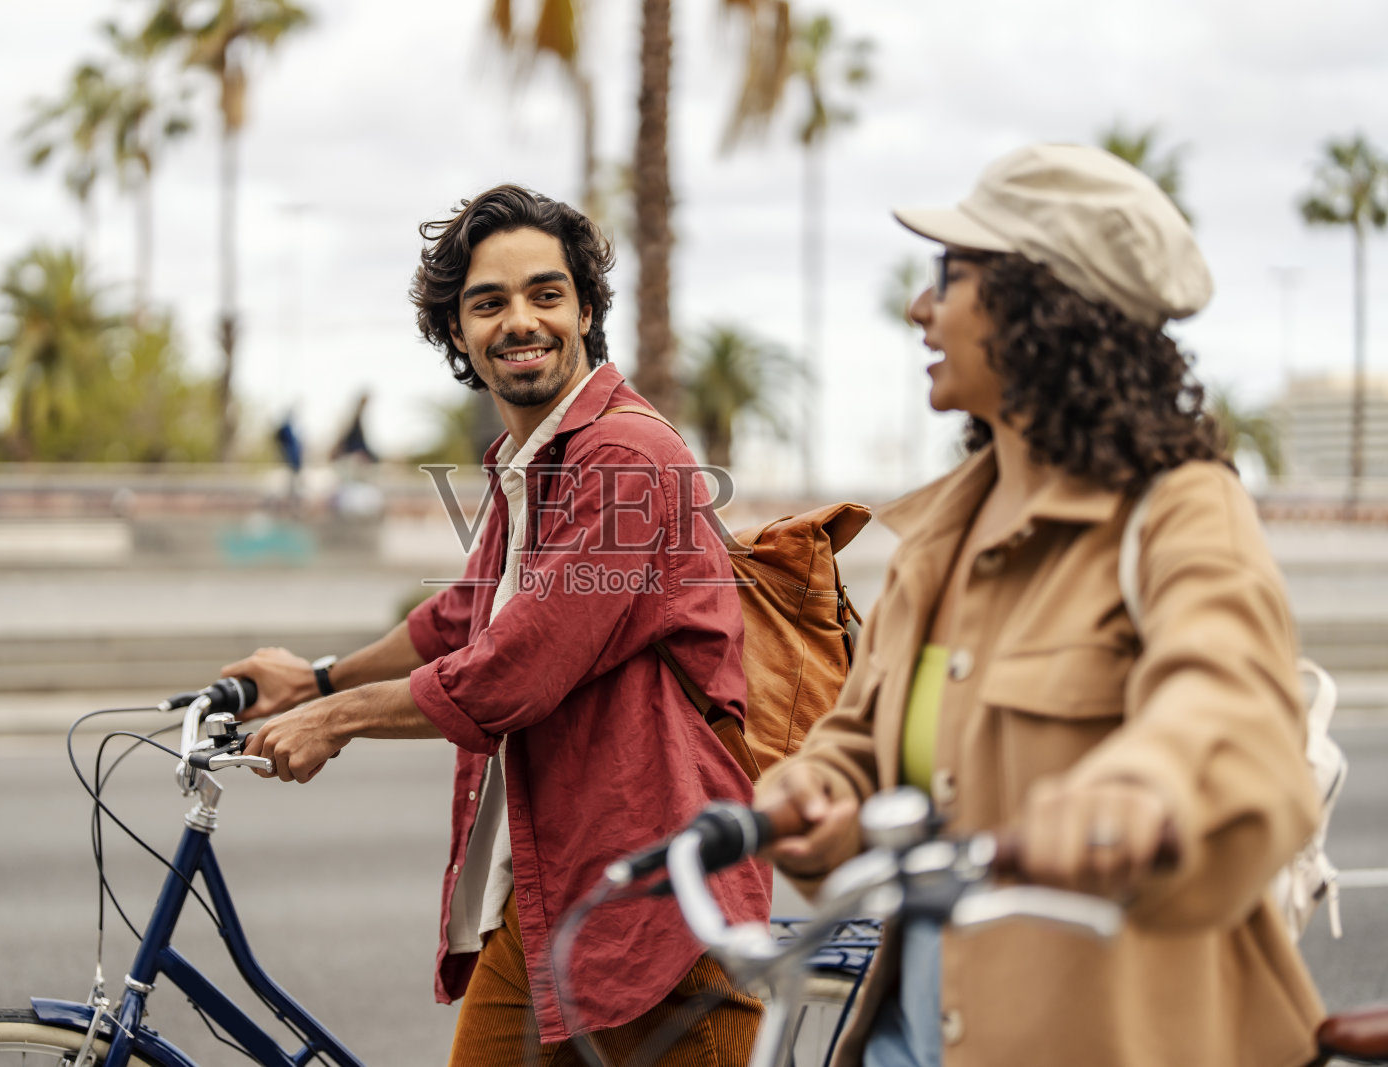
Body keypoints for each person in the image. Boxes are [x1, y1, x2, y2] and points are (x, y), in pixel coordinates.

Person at [755, 144, 1325, 1067]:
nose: (920, 306)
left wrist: (1143, 787)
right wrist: (819, 789)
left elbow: (1231, 704)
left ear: (1042, 306)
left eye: (952, 275)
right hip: (907, 1031)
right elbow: (861, 741)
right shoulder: (935, 538)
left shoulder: (1178, 509)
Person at [222, 184, 770, 1066]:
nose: (521, 320)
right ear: (457, 334)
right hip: (556, 890)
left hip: (664, 909)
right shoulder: (530, 460)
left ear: (586, 312)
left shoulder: (626, 456)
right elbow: (459, 617)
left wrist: (336, 720)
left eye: (546, 294)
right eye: (489, 303)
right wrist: (320, 679)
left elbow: (516, 666)